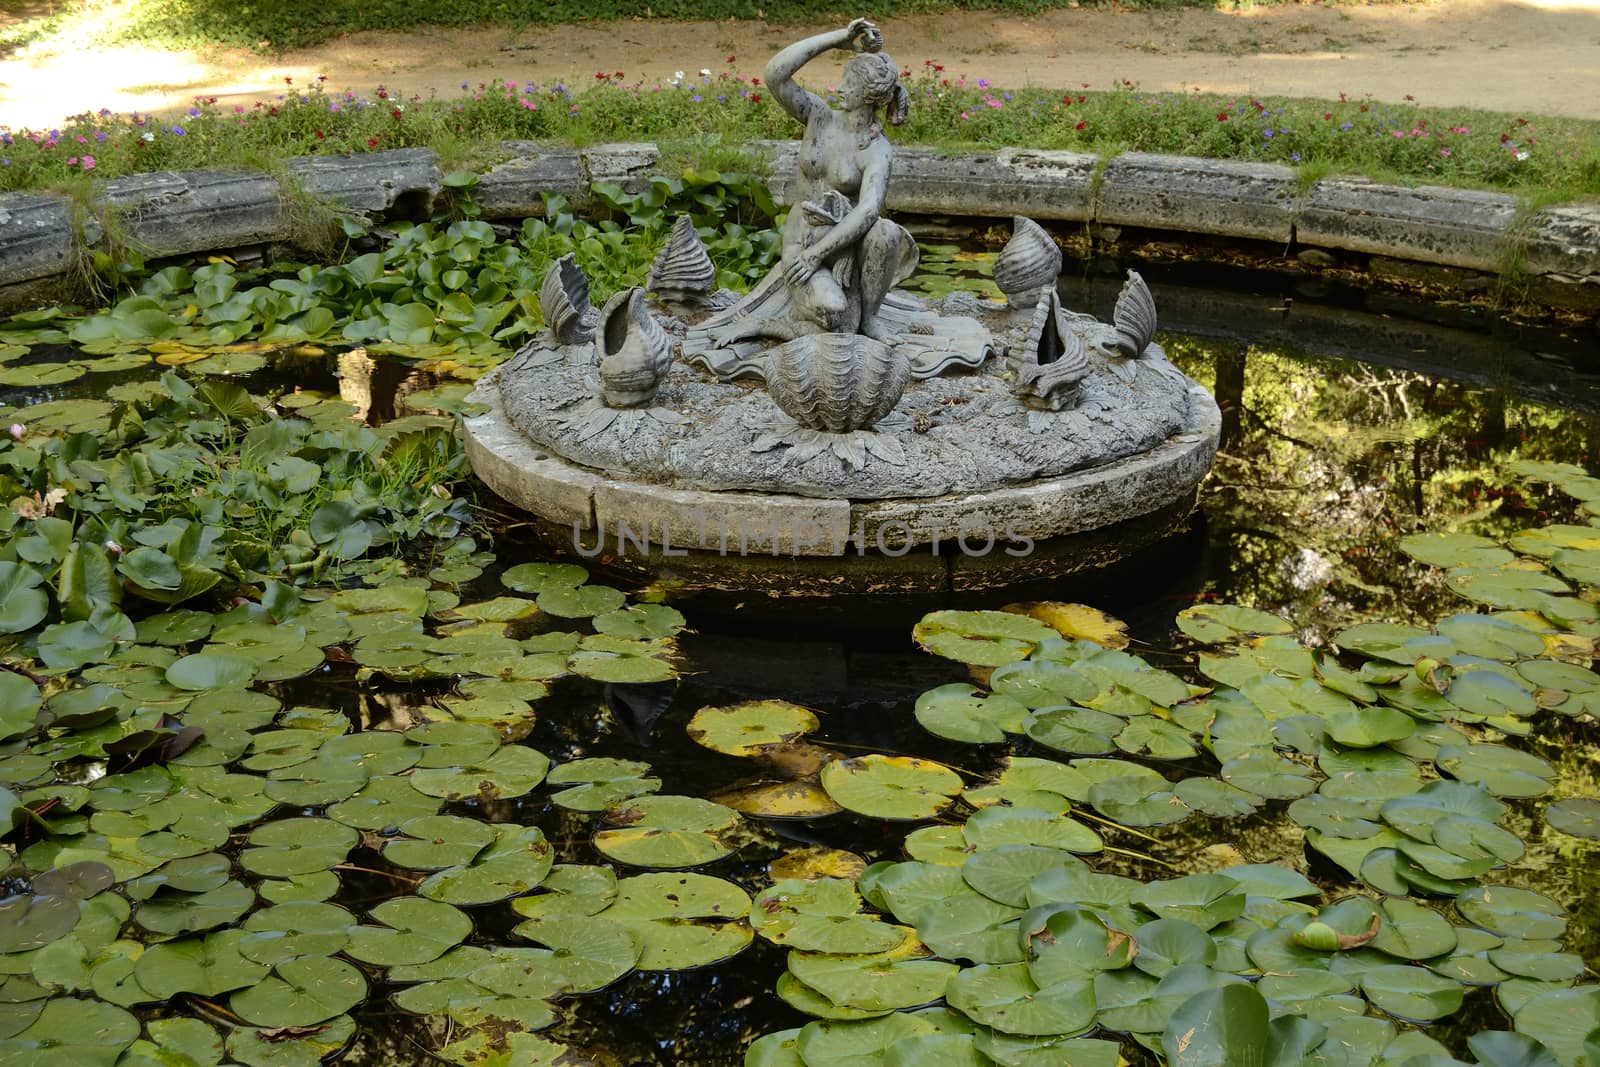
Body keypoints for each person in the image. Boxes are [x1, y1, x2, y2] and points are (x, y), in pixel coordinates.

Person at [705, 19, 918, 345]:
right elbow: (775, 75)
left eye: (849, 83)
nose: (840, 88)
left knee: (887, 231)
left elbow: (869, 210)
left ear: (869, 95)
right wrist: (838, 39)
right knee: (833, 314)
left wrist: (818, 255)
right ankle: (768, 323)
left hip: (840, 247)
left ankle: (870, 317)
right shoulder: (819, 117)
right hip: (802, 240)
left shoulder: (876, 149)